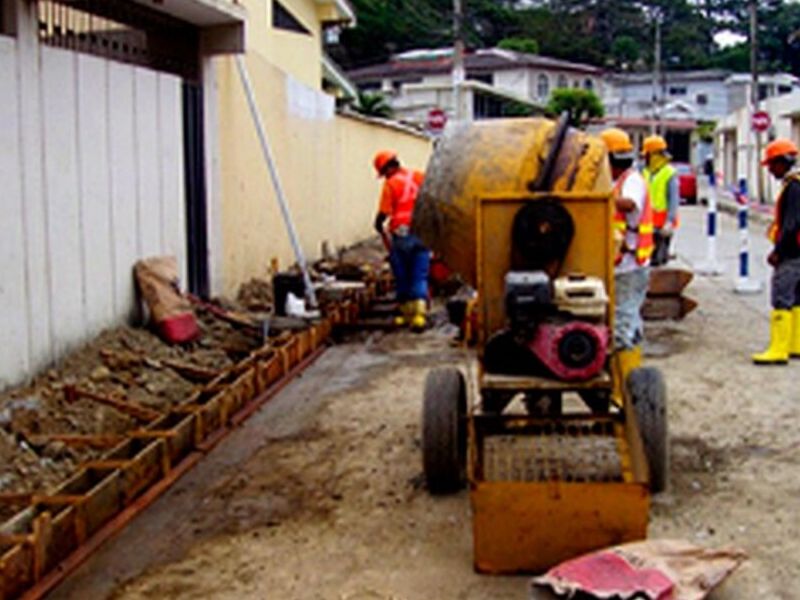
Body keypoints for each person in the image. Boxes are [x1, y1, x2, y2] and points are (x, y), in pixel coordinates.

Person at [600, 128, 654, 369]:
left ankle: (626, 389)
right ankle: (621, 378)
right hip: (619, 263)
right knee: (618, 320)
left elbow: (630, 204)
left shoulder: (631, 180)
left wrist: (596, 198)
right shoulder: (616, 181)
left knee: (624, 321)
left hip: (630, 265)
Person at [752, 138, 800, 365]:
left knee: (782, 297)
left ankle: (779, 350)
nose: (770, 170)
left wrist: (778, 251)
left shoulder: (793, 187)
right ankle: (795, 344)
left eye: (772, 164)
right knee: (798, 298)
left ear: (783, 162)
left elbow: (791, 224)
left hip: (792, 253)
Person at [373, 150, 430, 330]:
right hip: (422, 232)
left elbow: (384, 212)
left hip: (402, 233)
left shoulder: (391, 184)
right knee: (420, 273)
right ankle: (420, 314)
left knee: (402, 273)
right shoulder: (419, 176)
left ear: (387, 168)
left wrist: (378, 223)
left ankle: (405, 313)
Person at [641, 134, 679, 266]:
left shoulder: (669, 173)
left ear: (654, 155)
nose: (644, 158)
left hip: (662, 225)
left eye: (647, 155)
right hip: (646, 224)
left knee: (659, 260)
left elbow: (673, 200)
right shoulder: (644, 172)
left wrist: (669, 222)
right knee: (646, 259)